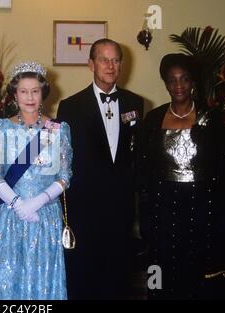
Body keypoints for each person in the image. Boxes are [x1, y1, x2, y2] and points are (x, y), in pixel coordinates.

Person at [137, 53, 225, 299]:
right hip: (165, 209)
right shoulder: (154, 119)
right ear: (166, 84)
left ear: (193, 82)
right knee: (162, 271)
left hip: (202, 209)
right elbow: (144, 168)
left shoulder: (211, 119)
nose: (178, 86)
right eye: (172, 80)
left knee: (198, 272)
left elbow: (223, 168)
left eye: (184, 79)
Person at [57, 39, 144, 299]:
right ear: (91, 64)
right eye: (104, 60)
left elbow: (135, 155)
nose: (110, 65)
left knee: (118, 279)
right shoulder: (70, 106)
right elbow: (64, 160)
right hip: (85, 210)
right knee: (83, 279)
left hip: (121, 209)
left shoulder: (135, 103)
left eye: (115, 60)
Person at [0, 61, 73, 300]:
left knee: (43, 285)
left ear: (43, 93)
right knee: (7, 282)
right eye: (23, 91)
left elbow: (65, 175)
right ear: (14, 94)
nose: (29, 97)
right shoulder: (1, 127)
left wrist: (38, 201)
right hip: (10, 218)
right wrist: (18, 204)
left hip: (45, 217)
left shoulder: (58, 129)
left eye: (35, 91)